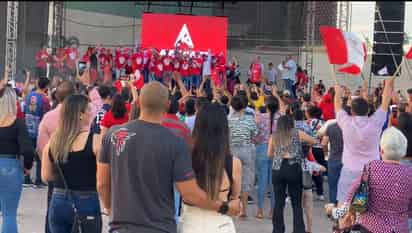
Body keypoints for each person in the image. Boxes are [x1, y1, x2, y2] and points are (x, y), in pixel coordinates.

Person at [97, 82, 240, 233]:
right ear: (168, 105)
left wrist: (111, 209)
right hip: (159, 227)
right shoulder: (175, 142)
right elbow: (189, 193)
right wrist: (225, 207)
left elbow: (101, 183)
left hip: (122, 227)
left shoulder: (113, 135)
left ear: (138, 102)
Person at [326, 127, 412, 233]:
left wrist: (343, 212)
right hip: (400, 229)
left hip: (370, 227)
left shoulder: (372, 168)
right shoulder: (409, 174)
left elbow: (353, 195)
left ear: (382, 150)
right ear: (403, 152)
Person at [41, 94, 102, 233]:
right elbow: (102, 177)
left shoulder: (54, 142)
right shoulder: (95, 141)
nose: (92, 112)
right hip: (86, 199)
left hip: (58, 199)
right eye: (89, 109)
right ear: (81, 115)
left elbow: (46, 176)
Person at [178, 103, 242, 233]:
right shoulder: (233, 163)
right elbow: (235, 203)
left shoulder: (185, 159)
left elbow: (187, 195)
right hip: (221, 225)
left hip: (190, 224)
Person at [334, 79, 393, 205]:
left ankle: (343, 224)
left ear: (351, 111)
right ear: (368, 111)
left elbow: (338, 107)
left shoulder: (346, 123)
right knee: (363, 209)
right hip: (370, 173)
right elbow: (385, 102)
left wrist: (337, 93)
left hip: (349, 171)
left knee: (343, 206)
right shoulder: (376, 122)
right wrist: (388, 84)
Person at [37, 80, 76, 233]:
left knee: (53, 215)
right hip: (79, 176)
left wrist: (47, 169)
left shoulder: (48, 118)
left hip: (56, 174)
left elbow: (41, 148)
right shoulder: (83, 117)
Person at [268, 115, 316, 233]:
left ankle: (278, 229)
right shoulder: (297, 133)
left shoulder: (274, 136)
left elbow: (269, 154)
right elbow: (314, 141)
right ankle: (299, 230)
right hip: (293, 167)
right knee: (296, 202)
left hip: (277, 168)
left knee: (279, 202)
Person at [0, 85, 35, 233]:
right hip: (10, 167)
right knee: (9, 214)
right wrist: (27, 166)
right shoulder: (18, 123)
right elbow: (27, 149)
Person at [228, 95, 258, 217]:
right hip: (246, 149)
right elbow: (255, 134)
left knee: (233, 179)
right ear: (245, 106)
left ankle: (233, 206)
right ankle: (243, 210)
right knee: (246, 181)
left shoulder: (228, 119)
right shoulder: (250, 119)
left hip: (232, 150)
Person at [253, 96, 280, 219]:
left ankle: (259, 210)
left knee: (262, 181)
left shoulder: (260, 117)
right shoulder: (280, 118)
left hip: (262, 148)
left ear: (267, 106)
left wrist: (256, 141)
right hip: (277, 150)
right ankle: (273, 211)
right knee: (274, 183)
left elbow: (254, 134)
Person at [23, 77, 51, 187]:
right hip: (39, 130)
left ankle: (26, 177)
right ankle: (39, 179)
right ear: (47, 87)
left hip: (28, 127)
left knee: (28, 154)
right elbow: (46, 115)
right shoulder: (45, 99)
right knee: (41, 155)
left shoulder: (29, 95)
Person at [318, 117, 344, 205]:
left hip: (333, 159)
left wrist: (326, 154)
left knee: (333, 186)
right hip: (348, 160)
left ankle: (333, 207)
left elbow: (324, 143)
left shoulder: (331, 126)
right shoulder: (351, 127)